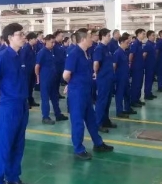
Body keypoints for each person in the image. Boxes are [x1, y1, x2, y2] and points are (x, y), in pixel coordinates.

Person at [0, 23, 30, 184]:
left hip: (22, 106)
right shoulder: (2, 56)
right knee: (3, 146)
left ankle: (13, 178)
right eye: (20, 34)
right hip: (8, 108)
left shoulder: (20, 56)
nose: (23, 37)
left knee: (18, 144)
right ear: (10, 37)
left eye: (23, 34)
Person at [63, 29, 114, 160]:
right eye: (90, 37)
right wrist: (72, 84)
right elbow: (66, 75)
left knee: (91, 120)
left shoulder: (86, 53)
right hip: (77, 93)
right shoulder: (74, 54)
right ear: (83, 39)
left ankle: (98, 143)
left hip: (86, 92)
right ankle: (78, 149)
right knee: (78, 122)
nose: (93, 39)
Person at [36, 34, 67, 124]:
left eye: (54, 42)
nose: (53, 44)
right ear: (46, 41)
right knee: (45, 98)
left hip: (53, 78)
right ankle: (45, 117)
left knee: (55, 97)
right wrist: (37, 77)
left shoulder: (52, 51)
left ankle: (58, 114)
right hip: (45, 79)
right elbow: (37, 66)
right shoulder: (42, 52)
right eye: (51, 42)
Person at [93, 28, 116, 132]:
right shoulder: (99, 49)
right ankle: (98, 123)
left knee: (107, 101)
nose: (110, 37)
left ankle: (105, 120)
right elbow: (96, 63)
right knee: (101, 101)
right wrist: (96, 73)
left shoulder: (107, 48)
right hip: (103, 79)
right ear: (103, 36)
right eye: (108, 36)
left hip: (109, 78)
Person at [114, 33, 135, 118]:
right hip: (120, 77)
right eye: (127, 42)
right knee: (119, 94)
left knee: (127, 93)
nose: (128, 44)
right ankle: (119, 111)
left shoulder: (124, 52)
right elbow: (114, 65)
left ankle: (127, 108)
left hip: (125, 76)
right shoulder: (117, 52)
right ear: (121, 42)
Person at [129, 28, 146, 108]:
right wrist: (130, 64)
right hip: (136, 68)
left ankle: (137, 99)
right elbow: (131, 55)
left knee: (139, 84)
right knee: (135, 84)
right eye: (143, 34)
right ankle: (133, 100)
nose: (144, 35)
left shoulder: (140, 44)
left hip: (140, 67)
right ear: (138, 34)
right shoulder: (135, 44)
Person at [23, 32, 39, 108]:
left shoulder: (33, 47)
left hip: (32, 70)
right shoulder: (26, 48)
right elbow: (23, 60)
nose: (36, 40)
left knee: (31, 87)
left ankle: (31, 100)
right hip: (27, 71)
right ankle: (26, 102)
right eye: (35, 39)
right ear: (30, 39)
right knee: (26, 87)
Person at [142, 31, 158, 99]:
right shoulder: (148, 45)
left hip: (153, 65)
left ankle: (149, 92)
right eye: (152, 35)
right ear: (148, 36)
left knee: (151, 80)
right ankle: (147, 94)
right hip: (149, 66)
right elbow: (144, 55)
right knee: (148, 80)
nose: (154, 37)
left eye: (154, 35)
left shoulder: (153, 44)